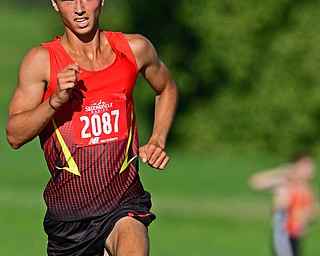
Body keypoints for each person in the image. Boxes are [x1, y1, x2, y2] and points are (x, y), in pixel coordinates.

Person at [6, 0, 179, 255]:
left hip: (124, 202)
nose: (78, 8)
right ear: (55, 4)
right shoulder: (42, 61)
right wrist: (55, 101)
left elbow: (166, 88)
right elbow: (14, 135)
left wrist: (158, 139)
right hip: (70, 219)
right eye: (68, 0)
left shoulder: (134, 49)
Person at [249, 154, 319, 256]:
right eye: (306, 166)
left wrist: (307, 218)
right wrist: (282, 172)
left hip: (296, 235)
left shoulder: (310, 190)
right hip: (284, 234)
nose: (311, 169)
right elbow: (256, 182)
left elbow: (313, 213)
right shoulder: (285, 185)